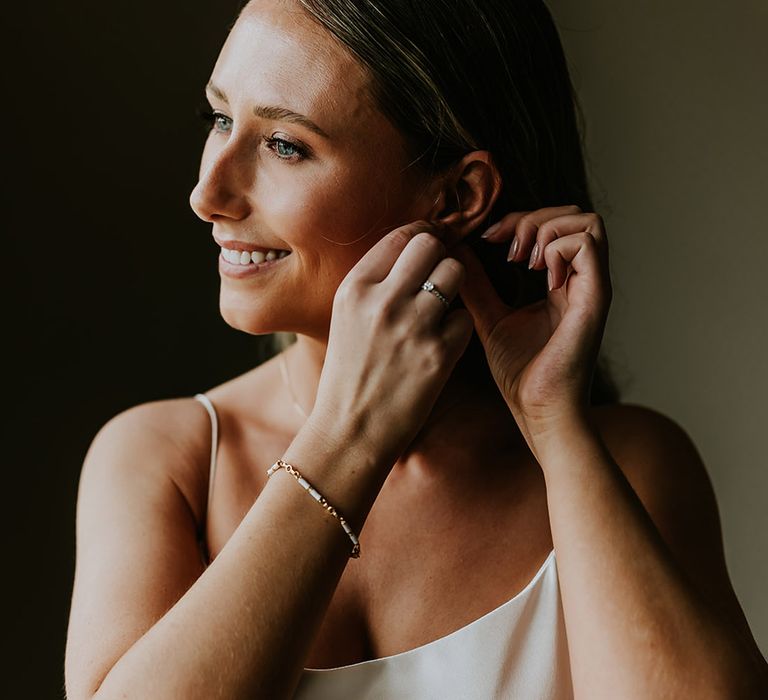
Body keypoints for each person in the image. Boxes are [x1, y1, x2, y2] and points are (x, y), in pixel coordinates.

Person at [64, 1, 768, 698]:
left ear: (458, 195)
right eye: (220, 118)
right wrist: (345, 440)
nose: (207, 193)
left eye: (284, 144)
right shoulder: (165, 461)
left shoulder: (627, 464)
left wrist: (555, 423)